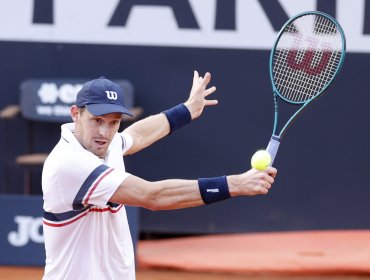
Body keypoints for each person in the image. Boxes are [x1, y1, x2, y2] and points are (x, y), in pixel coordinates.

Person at [42, 71, 277, 280]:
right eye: (97, 121)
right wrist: (236, 184)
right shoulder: (69, 163)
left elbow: (137, 135)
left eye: (114, 123)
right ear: (75, 114)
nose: (105, 131)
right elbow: (153, 196)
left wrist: (187, 110)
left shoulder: (103, 142)